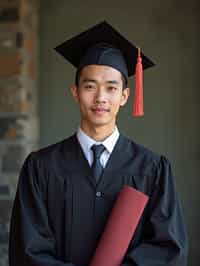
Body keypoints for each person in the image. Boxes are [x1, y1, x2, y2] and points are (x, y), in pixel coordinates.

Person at [9, 21, 188, 266]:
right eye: (90, 86)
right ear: (75, 92)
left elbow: (168, 248)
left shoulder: (153, 168)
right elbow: (27, 251)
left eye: (111, 88)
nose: (100, 97)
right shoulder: (40, 168)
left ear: (125, 96)